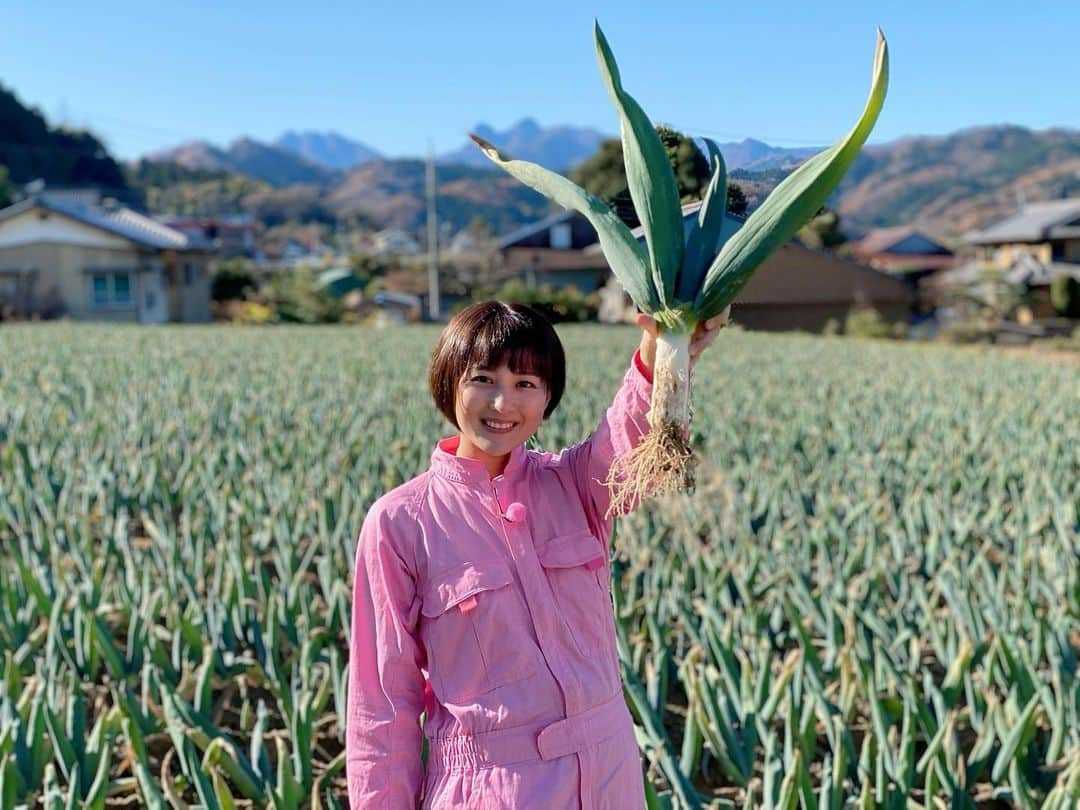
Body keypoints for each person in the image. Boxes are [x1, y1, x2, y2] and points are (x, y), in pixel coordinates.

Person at [346, 300, 729, 809]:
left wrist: (666, 350)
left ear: (547, 398)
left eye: (526, 384)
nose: (503, 403)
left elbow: (633, 442)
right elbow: (382, 705)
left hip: (609, 775)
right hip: (492, 788)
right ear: (448, 383)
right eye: (483, 379)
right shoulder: (402, 523)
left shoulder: (573, 484)